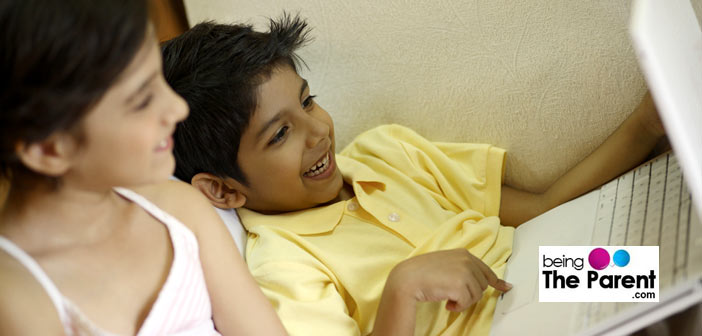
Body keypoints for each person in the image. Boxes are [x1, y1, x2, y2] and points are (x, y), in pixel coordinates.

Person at [161, 15, 666, 336]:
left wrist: (649, 122)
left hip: (544, 274)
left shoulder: (387, 153)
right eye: (279, 135)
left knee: (672, 276)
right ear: (224, 188)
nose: (317, 132)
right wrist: (402, 289)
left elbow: (540, 208)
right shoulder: (284, 266)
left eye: (308, 101)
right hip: (504, 326)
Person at [0, 1, 287, 335]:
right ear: (49, 148)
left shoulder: (178, 210)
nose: (177, 108)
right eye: (142, 100)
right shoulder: (17, 298)